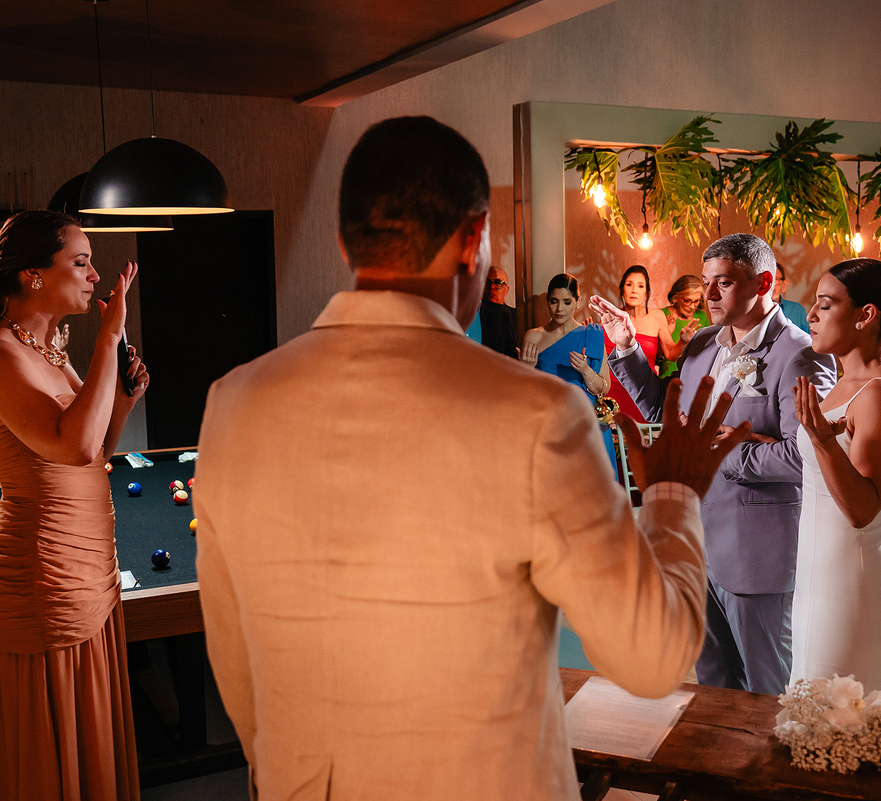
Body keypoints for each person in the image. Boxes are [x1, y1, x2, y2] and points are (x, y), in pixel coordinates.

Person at [193, 115, 751, 801]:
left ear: (344, 242)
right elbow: (652, 657)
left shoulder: (233, 403)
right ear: (473, 238)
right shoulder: (537, 413)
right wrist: (672, 496)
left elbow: (237, 667)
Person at [0, 210, 146, 800]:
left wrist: (124, 399)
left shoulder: (49, 349)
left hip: (88, 569)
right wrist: (108, 339)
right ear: (33, 275)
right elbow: (73, 446)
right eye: (80, 262)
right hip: (42, 576)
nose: (95, 276)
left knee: (90, 744)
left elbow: (95, 449)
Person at [592, 233, 837, 695]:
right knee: (713, 688)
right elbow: (668, 413)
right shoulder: (704, 341)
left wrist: (718, 453)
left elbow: (806, 457)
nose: (707, 294)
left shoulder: (800, 354)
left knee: (768, 691)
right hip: (695, 547)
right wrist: (625, 348)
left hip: (755, 554)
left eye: (722, 283)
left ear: (763, 282)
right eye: (705, 282)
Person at [792, 259, 881, 697]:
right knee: (814, 718)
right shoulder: (845, 383)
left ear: (866, 315)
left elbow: (862, 511)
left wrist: (822, 442)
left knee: (838, 719)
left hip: (855, 588)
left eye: (826, 305)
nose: (811, 314)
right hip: (820, 582)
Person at [520, 273, 617, 469]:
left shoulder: (592, 335)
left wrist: (585, 370)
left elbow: (604, 387)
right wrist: (526, 370)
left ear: (577, 302)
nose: (559, 309)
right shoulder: (533, 337)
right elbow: (524, 395)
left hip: (586, 425)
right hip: (550, 426)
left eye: (566, 302)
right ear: (548, 301)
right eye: (554, 301)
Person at [602, 265, 664, 422]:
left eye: (640, 286)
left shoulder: (657, 317)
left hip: (644, 391)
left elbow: (671, 353)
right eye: (629, 284)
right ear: (622, 289)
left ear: (646, 293)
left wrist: (684, 341)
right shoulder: (610, 320)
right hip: (614, 392)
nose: (634, 290)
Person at [657, 274, 710, 377]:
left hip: (694, 376)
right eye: (687, 300)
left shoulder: (701, 317)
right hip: (668, 378)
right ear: (675, 298)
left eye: (696, 301)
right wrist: (668, 333)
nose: (692, 306)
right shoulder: (662, 315)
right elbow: (654, 358)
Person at [477, 265, 518, 358]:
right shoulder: (473, 314)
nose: (492, 287)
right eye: (487, 282)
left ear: (506, 290)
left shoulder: (516, 316)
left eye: (498, 283)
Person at [773, 262, 810, 333]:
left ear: (784, 284)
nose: (770, 284)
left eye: (775, 279)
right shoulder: (753, 311)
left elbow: (809, 338)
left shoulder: (797, 311)